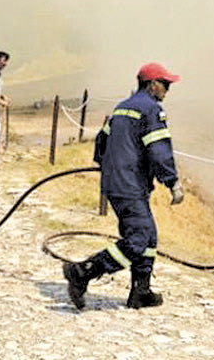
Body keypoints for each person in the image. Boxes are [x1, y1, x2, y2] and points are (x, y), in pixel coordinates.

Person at [63, 62, 184, 310]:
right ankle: (84, 271)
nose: (168, 90)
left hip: (118, 182)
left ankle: (141, 291)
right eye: (166, 84)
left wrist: (108, 166)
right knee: (138, 238)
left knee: (148, 236)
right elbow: (159, 151)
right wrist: (172, 183)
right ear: (152, 85)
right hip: (130, 185)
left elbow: (101, 143)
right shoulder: (151, 110)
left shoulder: (122, 107)